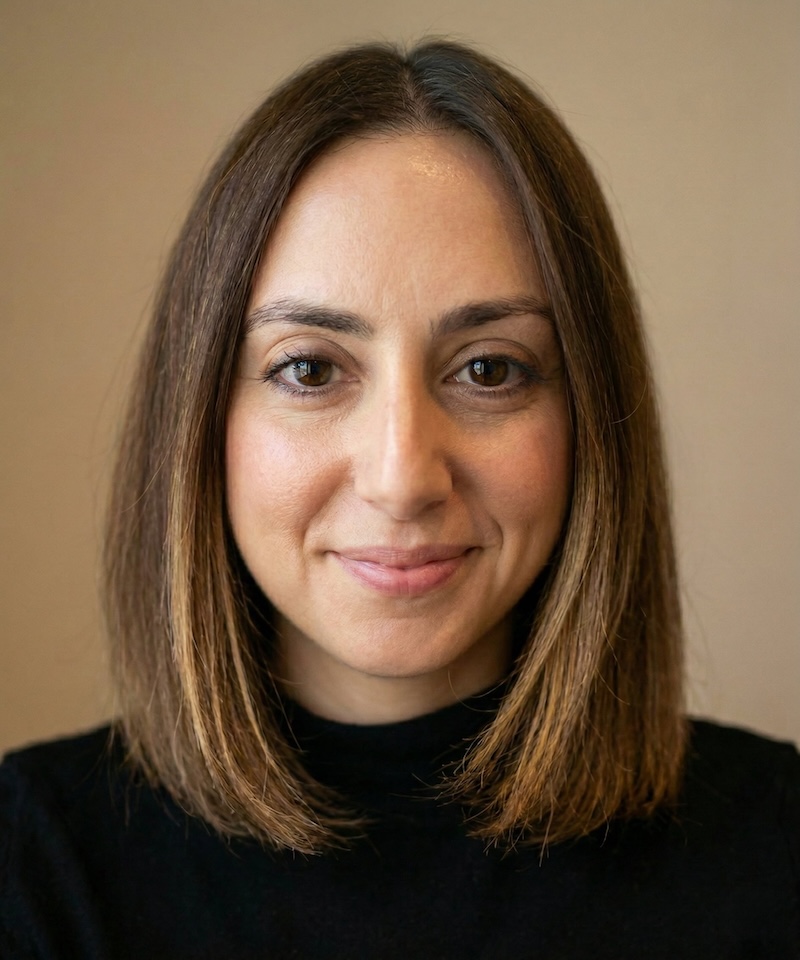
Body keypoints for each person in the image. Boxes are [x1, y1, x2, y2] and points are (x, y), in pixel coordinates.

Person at [1, 39, 798, 959]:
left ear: (590, 422)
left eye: (489, 369)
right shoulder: (38, 869)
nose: (403, 475)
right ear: (201, 423)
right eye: (309, 368)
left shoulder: (773, 851)